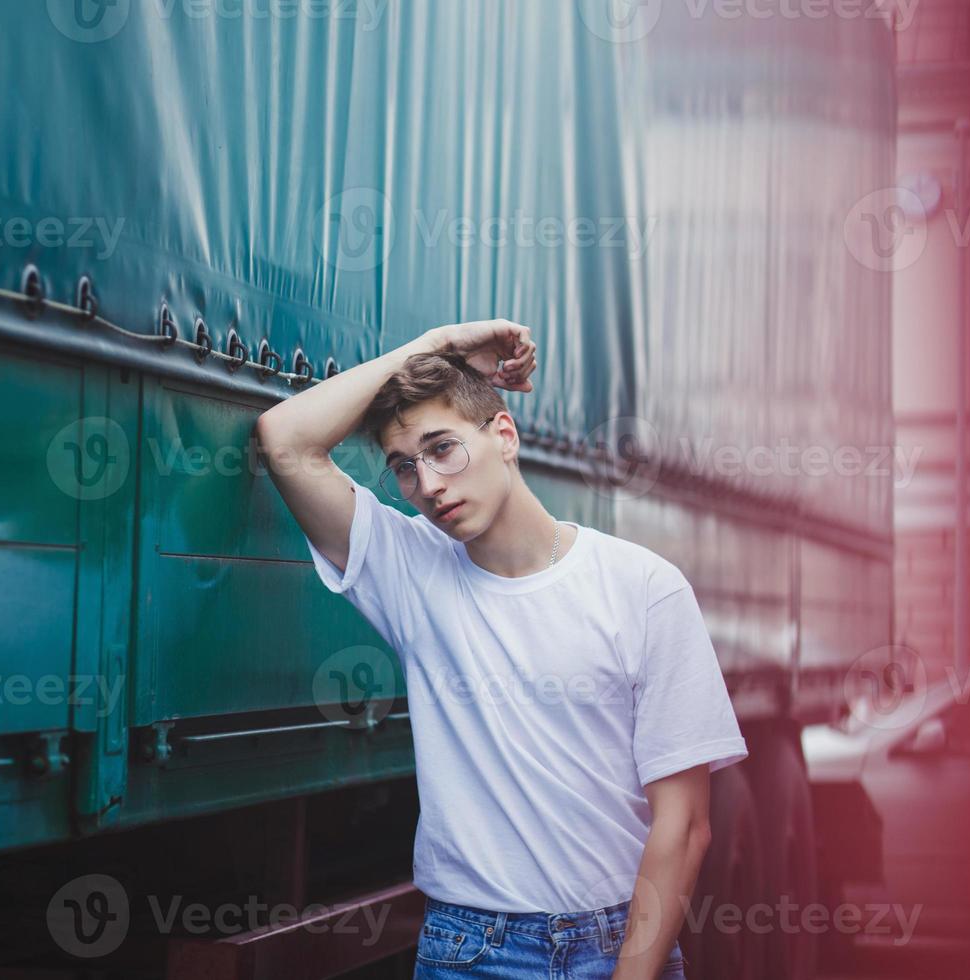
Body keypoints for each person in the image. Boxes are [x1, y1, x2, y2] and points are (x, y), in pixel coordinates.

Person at [255, 319, 748, 979]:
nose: (428, 485)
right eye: (405, 466)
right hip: (470, 951)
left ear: (505, 436)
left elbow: (684, 826)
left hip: (618, 945)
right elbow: (285, 440)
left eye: (443, 448)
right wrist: (434, 343)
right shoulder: (411, 573)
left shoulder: (643, 589)